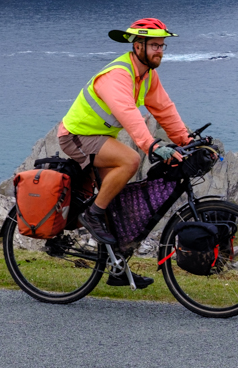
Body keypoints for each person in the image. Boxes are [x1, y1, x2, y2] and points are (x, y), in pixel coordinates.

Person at [57, 17, 193, 287]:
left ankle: (117, 268)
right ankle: (92, 215)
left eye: (163, 46)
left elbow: (164, 110)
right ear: (138, 45)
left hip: (99, 138)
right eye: (154, 45)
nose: (160, 51)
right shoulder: (118, 75)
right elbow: (128, 114)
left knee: (117, 203)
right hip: (76, 136)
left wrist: (186, 139)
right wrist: (151, 145)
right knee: (130, 160)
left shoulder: (146, 76)